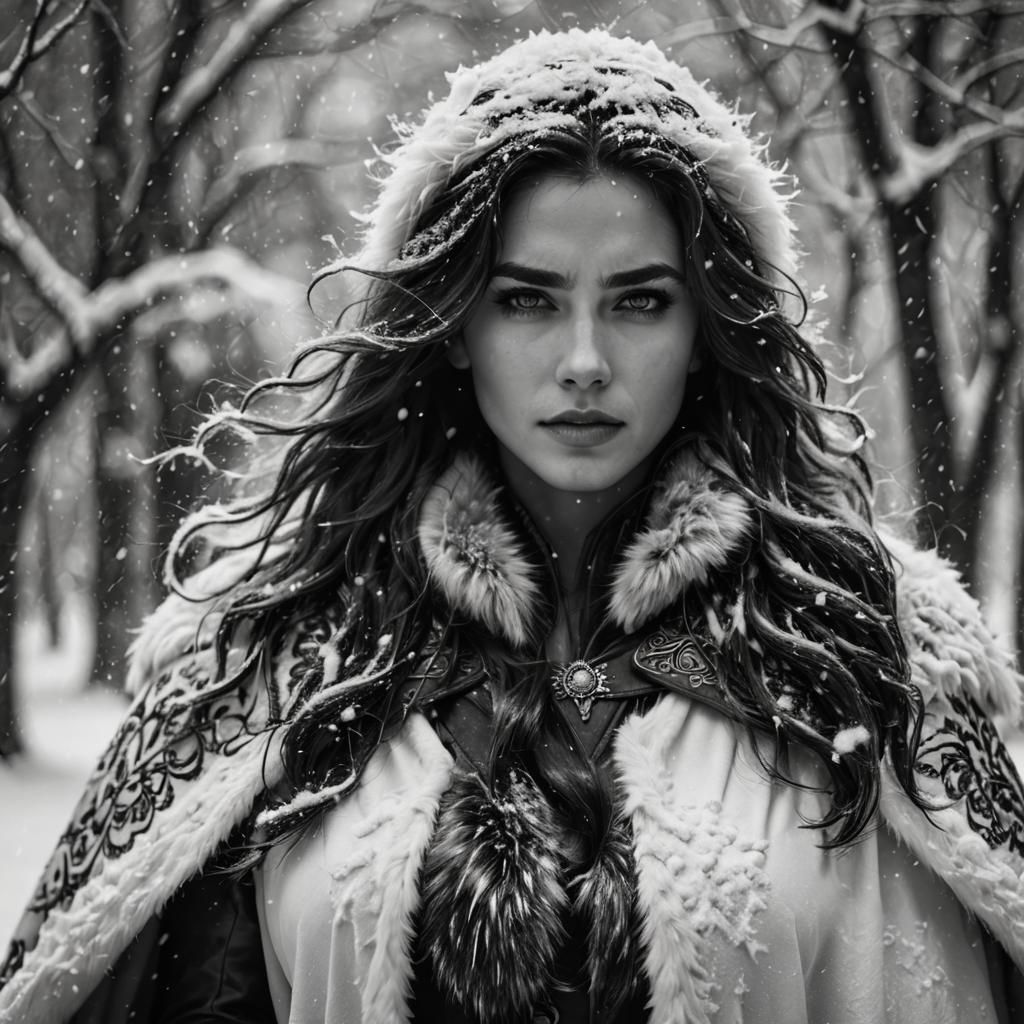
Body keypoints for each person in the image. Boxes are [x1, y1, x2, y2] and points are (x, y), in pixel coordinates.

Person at [2, 27, 1023, 1024]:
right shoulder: (269, 651)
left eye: (639, 301)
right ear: (453, 328)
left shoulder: (864, 647)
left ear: (707, 331)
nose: (583, 358)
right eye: (529, 300)